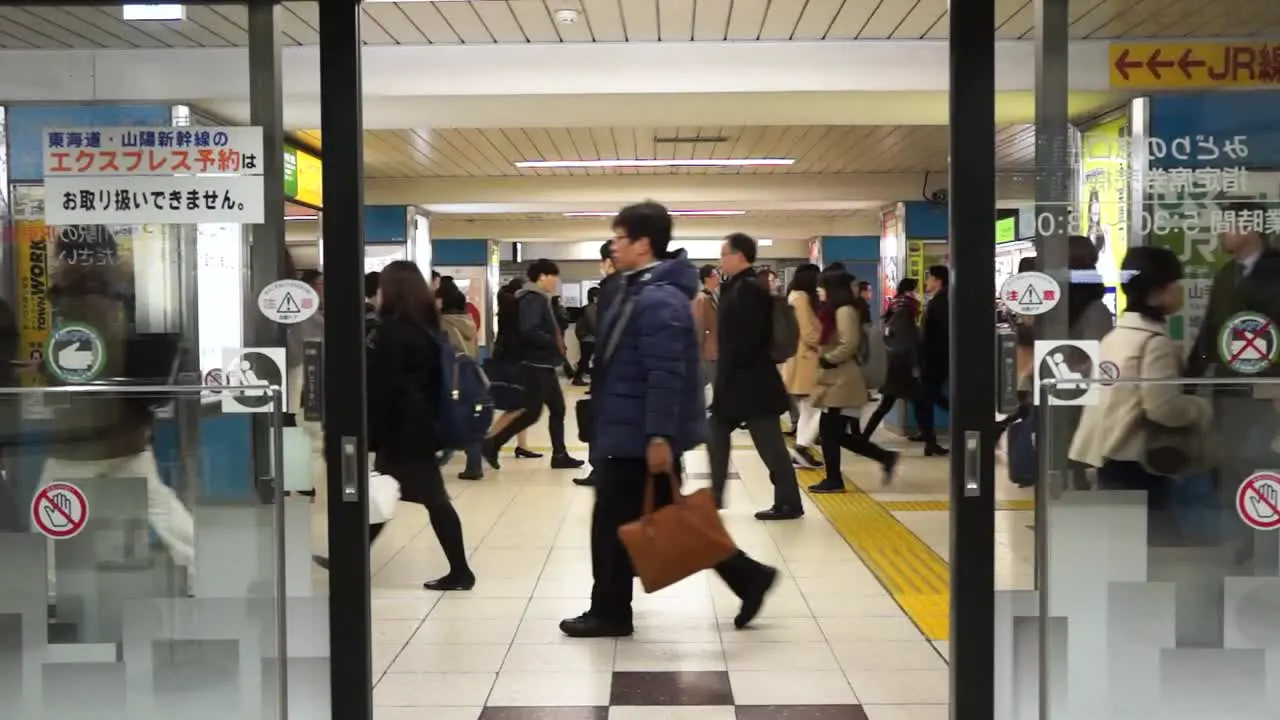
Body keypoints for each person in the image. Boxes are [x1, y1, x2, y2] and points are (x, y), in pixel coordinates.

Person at [559, 201, 778, 639]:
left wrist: (659, 434)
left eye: (620, 239)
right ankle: (746, 576)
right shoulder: (636, 287)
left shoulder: (658, 299)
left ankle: (610, 611)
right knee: (665, 517)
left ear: (641, 244)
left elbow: (665, 373)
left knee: (612, 525)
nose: (613, 246)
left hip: (638, 432)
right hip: (626, 426)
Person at [42, 225, 195, 574]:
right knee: (159, 505)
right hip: (125, 427)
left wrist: (53, 373)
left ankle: (44, 587)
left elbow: (93, 361)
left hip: (86, 431)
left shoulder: (84, 298)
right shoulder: (121, 292)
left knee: (51, 510)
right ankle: (202, 568)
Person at [1070, 246, 1212, 539]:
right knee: (1153, 544)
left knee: (1124, 546)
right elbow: (1162, 407)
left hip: (1108, 454)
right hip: (1139, 460)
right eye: (1176, 284)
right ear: (1156, 292)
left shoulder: (1118, 335)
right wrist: (1201, 408)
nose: (1180, 291)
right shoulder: (1153, 342)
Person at [368, 261, 476, 591]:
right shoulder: (428, 329)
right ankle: (349, 558)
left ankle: (461, 571)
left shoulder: (392, 332)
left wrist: (370, 432)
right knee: (385, 492)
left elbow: (382, 387)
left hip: (404, 431)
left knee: (428, 498)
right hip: (422, 427)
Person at [709, 233, 803, 520]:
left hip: (752, 384)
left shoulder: (747, 290)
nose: (720, 261)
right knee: (717, 432)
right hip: (746, 382)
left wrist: (726, 378)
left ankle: (789, 503)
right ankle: (714, 498)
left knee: (771, 446)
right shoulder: (739, 287)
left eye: (723, 255)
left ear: (738, 256)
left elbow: (747, 340)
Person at [482, 259, 585, 470]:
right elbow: (528, 330)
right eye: (554, 276)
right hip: (535, 365)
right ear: (543, 277)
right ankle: (492, 443)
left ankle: (559, 455)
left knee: (555, 409)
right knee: (533, 411)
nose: (556, 281)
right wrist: (553, 341)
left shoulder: (538, 298)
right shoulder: (533, 299)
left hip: (542, 364)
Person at [807, 268, 899, 492]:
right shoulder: (834, 310)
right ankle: (884, 456)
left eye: (821, 288)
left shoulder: (845, 311)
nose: (818, 292)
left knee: (829, 432)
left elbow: (849, 343)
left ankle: (834, 480)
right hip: (835, 378)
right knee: (832, 433)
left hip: (843, 379)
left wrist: (828, 358)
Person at [574, 241, 623, 488]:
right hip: (624, 375)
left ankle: (600, 470)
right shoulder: (634, 288)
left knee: (600, 422)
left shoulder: (612, 290)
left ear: (606, 263)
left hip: (613, 373)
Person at [861, 278, 923, 438]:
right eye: (916, 291)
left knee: (888, 404)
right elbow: (909, 342)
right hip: (904, 365)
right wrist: (916, 365)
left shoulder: (894, 309)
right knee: (919, 402)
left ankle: (864, 436)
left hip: (894, 364)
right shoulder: (906, 313)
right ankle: (929, 440)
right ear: (910, 292)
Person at [489, 278, 540, 462]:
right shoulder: (515, 309)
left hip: (510, 360)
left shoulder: (507, 306)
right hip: (514, 362)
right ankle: (488, 440)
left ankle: (522, 445)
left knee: (520, 405)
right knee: (516, 406)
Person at [439, 278, 484, 480]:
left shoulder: (443, 324)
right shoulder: (469, 321)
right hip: (470, 373)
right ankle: (474, 465)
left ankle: (438, 461)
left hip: (451, 375)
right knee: (468, 420)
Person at [781, 263, 823, 468]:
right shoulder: (801, 298)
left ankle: (801, 450)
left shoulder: (794, 296)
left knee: (809, 407)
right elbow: (807, 332)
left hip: (800, 358)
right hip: (806, 359)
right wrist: (825, 345)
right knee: (815, 406)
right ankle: (801, 449)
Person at [909, 265, 950, 455]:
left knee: (926, 397)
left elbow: (936, 334)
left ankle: (930, 439)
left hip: (935, 359)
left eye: (929, 279)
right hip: (936, 358)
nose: (926, 283)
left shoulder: (941, 302)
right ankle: (929, 439)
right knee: (927, 397)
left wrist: (923, 356)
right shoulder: (941, 300)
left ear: (938, 280)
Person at [693, 264, 720, 389]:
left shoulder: (716, 295)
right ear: (706, 279)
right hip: (709, 350)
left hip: (719, 347)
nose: (717, 278)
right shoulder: (702, 298)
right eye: (714, 276)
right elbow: (699, 326)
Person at [573, 286, 600, 387]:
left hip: (587, 338)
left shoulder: (589, 307)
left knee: (585, 359)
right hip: (589, 338)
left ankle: (578, 376)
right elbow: (593, 324)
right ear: (595, 297)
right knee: (586, 359)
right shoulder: (592, 308)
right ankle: (577, 377)